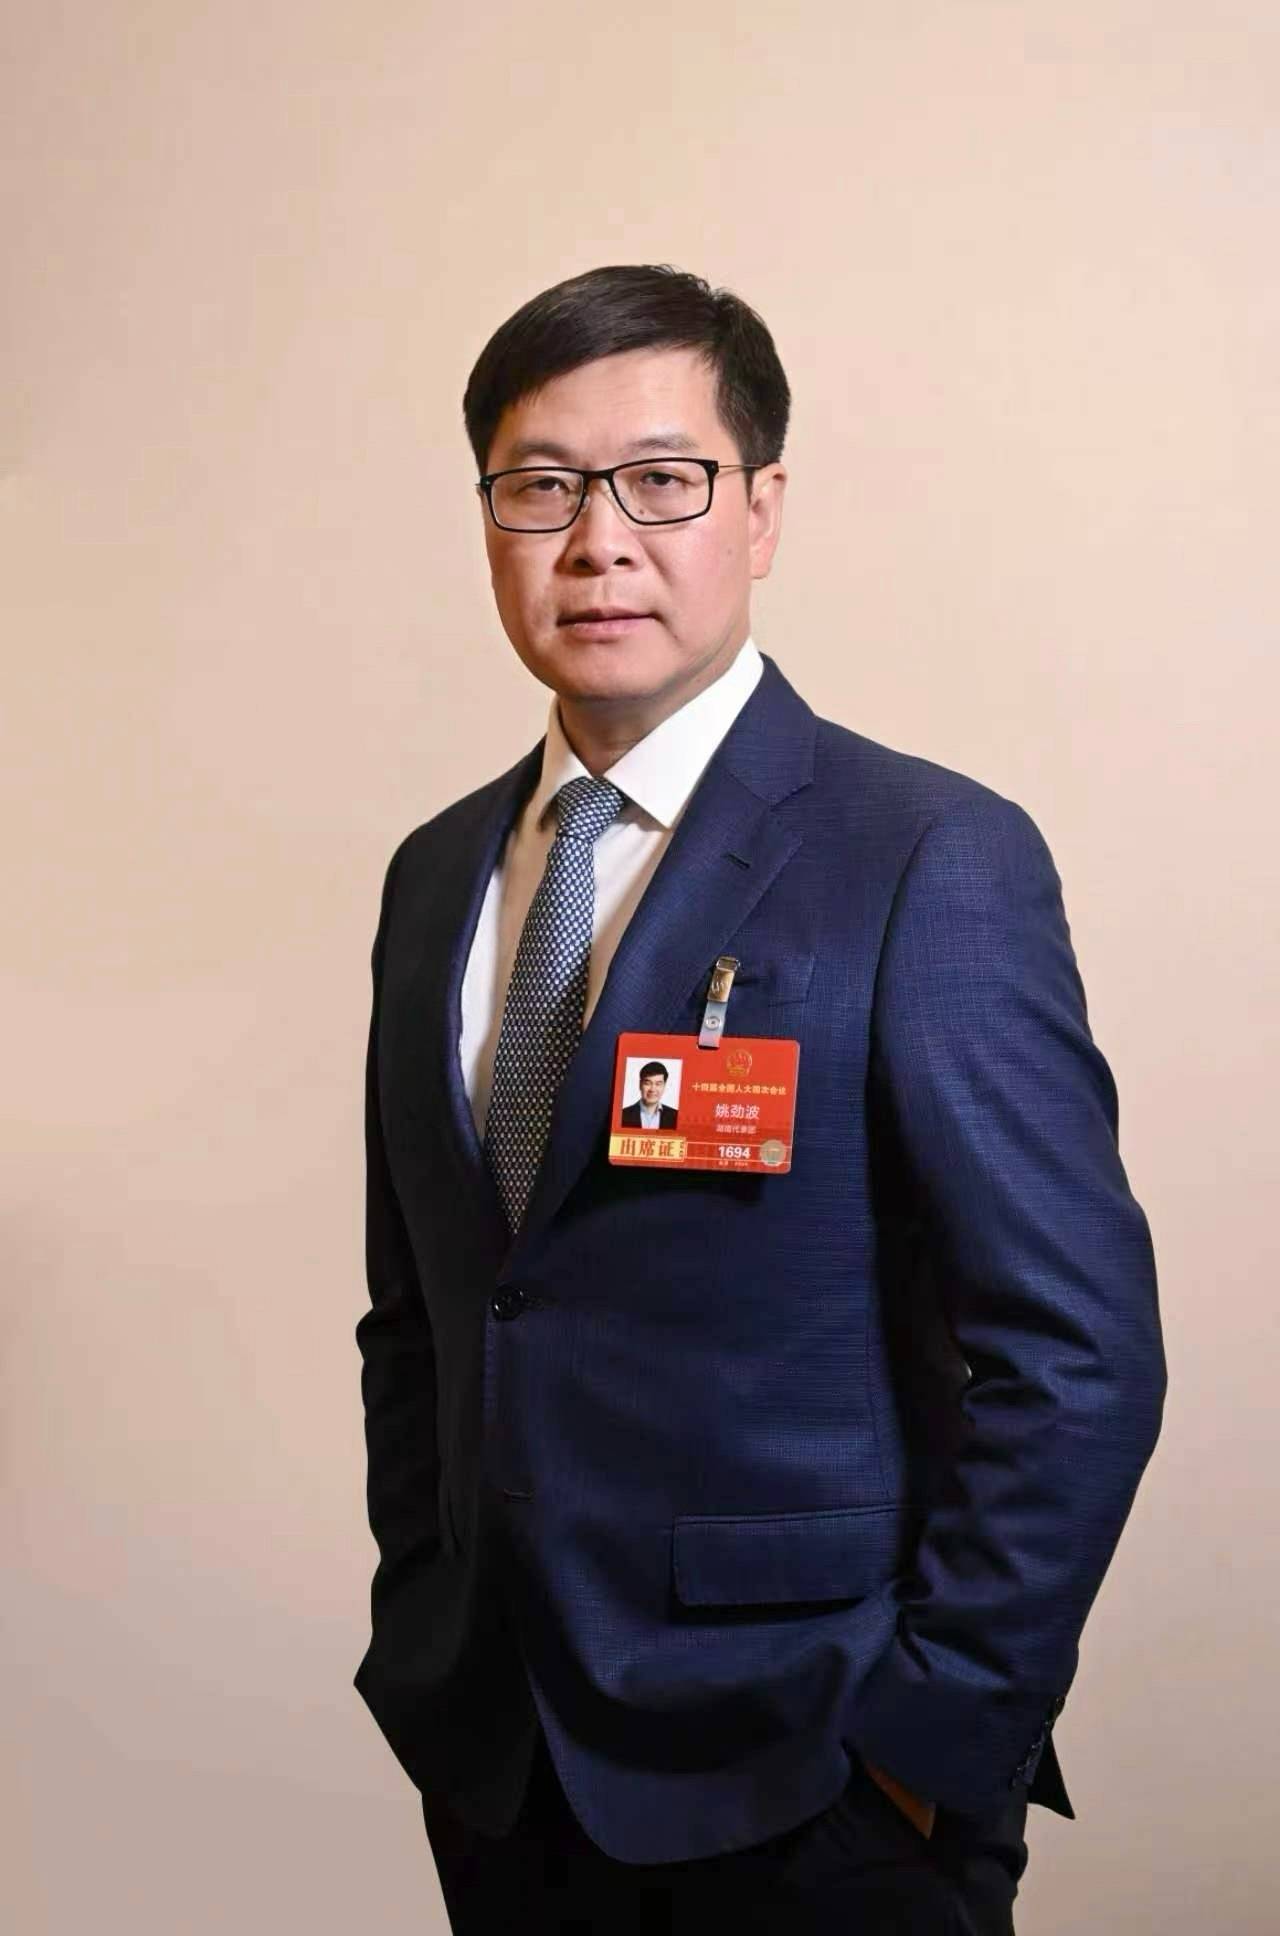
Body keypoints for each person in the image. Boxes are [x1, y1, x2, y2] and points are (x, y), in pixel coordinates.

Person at [352, 264, 1166, 1934]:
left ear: (763, 509)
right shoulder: (437, 876)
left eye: (663, 479)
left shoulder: (923, 855)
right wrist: (428, 1609)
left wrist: (934, 1739)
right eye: (540, 486)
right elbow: (427, 1313)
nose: (599, 541)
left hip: (818, 1773)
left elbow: (1076, 1351)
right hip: (502, 1761)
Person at [619, 1060, 679, 1129]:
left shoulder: (676, 1117)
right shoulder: (622, 1115)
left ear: (664, 1086)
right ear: (640, 1085)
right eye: (647, 1083)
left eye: (658, 1084)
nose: (652, 1089)